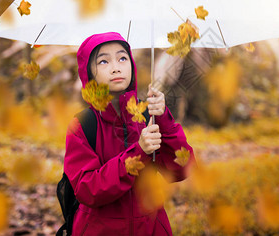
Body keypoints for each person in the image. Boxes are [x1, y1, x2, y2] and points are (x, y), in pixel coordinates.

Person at [64, 32, 195, 235]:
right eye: (103, 61)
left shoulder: (147, 115)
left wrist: (163, 119)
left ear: (131, 65)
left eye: (122, 58)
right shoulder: (83, 125)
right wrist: (137, 153)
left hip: (150, 227)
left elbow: (182, 169)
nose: (116, 67)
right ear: (88, 73)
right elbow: (87, 190)